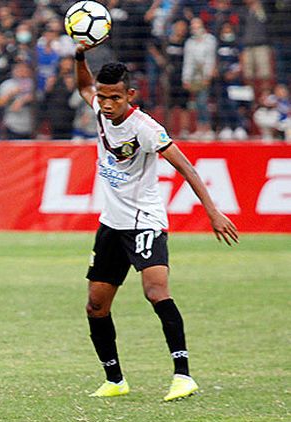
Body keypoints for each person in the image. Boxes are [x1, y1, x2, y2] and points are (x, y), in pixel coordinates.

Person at [74, 44, 239, 401]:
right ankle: (115, 380)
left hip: (145, 221)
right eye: (103, 97)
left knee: (156, 291)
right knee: (96, 305)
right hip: (111, 225)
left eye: (114, 98)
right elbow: (84, 87)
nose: (105, 103)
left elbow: (187, 167)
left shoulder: (146, 128)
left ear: (129, 95)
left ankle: (183, 375)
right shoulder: (100, 107)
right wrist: (79, 58)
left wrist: (213, 211)